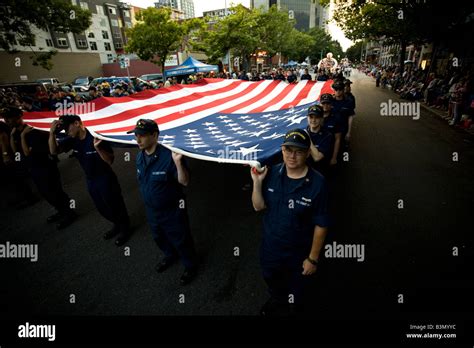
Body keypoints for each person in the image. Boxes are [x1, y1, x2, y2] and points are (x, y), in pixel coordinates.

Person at [250, 128, 330, 316]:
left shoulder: (318, 183)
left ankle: (294, 306)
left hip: (298, 252)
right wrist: (257, 182)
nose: (292, 156)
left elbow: (322, 223)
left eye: (299, 151)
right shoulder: (272, 173)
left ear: (308, 153)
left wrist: (313, 258)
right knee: (271, 279)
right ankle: (277, 300)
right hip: (271, 249)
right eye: (287, 150)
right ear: (282, 150)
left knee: (298, 287)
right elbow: (258, 207)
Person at [127, 119, 198, 285]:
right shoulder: (140, 156)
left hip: (172, 209)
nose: (137, 139)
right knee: (158, 236)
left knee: (181, 238)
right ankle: (170, 255)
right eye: (136, 135)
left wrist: (179, 163)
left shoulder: (170, 156)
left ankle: (190, 265)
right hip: (152, 210)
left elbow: (185, 182)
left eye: (142, 135)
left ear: (154, 135)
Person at [48, 115, 131, 246]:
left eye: (67, 128)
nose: (66, 131)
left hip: (105, 177)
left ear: (77, 123)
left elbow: (110, 160)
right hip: (91, 179)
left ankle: (125, 229)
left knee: (115, 204)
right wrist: (52, 133)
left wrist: (98, 148)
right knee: (101, 207)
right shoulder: (72, 139)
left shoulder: (95, 137)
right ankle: (117, 224)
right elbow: (53, 151)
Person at [1, 106, 76, 227]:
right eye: (5, 118)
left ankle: (70, 213)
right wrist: (12, 136)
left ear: (18, 117)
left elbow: (26, 152)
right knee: (46, 193)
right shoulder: (15, 132)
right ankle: (61, 211)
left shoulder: (31, 131)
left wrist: (22, 137)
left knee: (55, 192)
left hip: (45, 166)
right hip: (33, 168)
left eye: (9, 118)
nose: (7, 121)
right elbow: (16, 152)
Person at [306, 105, 334, 177]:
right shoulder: (304, 132)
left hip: (320, 173)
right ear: (307, 118)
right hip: (305, 173)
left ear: (321, 118)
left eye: (317, 117)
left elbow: (317, 158)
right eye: (311, 117)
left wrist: (308, 139)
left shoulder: (327, 136)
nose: (313, 120)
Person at [319, 93, 342, 167]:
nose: (325, 105)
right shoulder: (316, 117)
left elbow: (337, 139)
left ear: (331, 104)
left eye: (328, 103)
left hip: (330, 151)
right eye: (323, 103)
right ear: (320, 104)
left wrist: (334, 157)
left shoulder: (336, 118)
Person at [332, 80, 355, 147]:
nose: (338, 91)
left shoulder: (348, 102)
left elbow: (350, 117)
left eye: (340, 89)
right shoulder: (330, 101)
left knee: (343, 147)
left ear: (343, 90)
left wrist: (349, 132)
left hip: (343, 129)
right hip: (332, 129)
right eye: (336, 89)